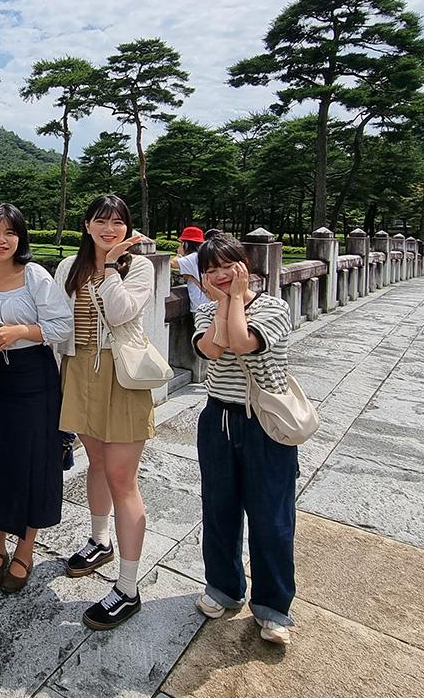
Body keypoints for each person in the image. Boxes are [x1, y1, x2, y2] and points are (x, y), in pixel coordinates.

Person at [53, 195, 158, 630]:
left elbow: (121, 313)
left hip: (121, 374)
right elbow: (58, 320)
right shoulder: (68, 268)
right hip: (79, 371)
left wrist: (114, 265)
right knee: (95, 463)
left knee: (122, 479)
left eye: (118, 222)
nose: (109, 228)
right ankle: (99, 540)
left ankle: (128, 588)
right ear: (87, 224)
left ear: (128, 228)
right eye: (101, 221)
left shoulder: (140, 268)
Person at [0, 203, 73, 593]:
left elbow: (62, 326)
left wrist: (19, 331)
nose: (1, 239)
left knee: (34, 463)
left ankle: (25, 549)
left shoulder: (34, 276)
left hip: (35, 377)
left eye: (9, 232)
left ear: (20, 237)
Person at [191, 234, 298, 646]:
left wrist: (234, 299)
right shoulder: (205, 310)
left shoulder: (273, 307)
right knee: (218, 508)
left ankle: (273, 606)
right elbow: (213, 349)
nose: (219, 275)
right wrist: (222, 301)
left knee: (271, 517)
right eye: (210, 269)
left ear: (245, 265)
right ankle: (223, 587)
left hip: (265, 424)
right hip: (219, 418)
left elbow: (240, 342)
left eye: (226, 266)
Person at [170, 226, 206, 312]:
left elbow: (172, 263)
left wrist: (179, 254)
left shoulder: (192, 258)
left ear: (186, 244)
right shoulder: (204, 255)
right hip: (213, 301)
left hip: (200, 305)